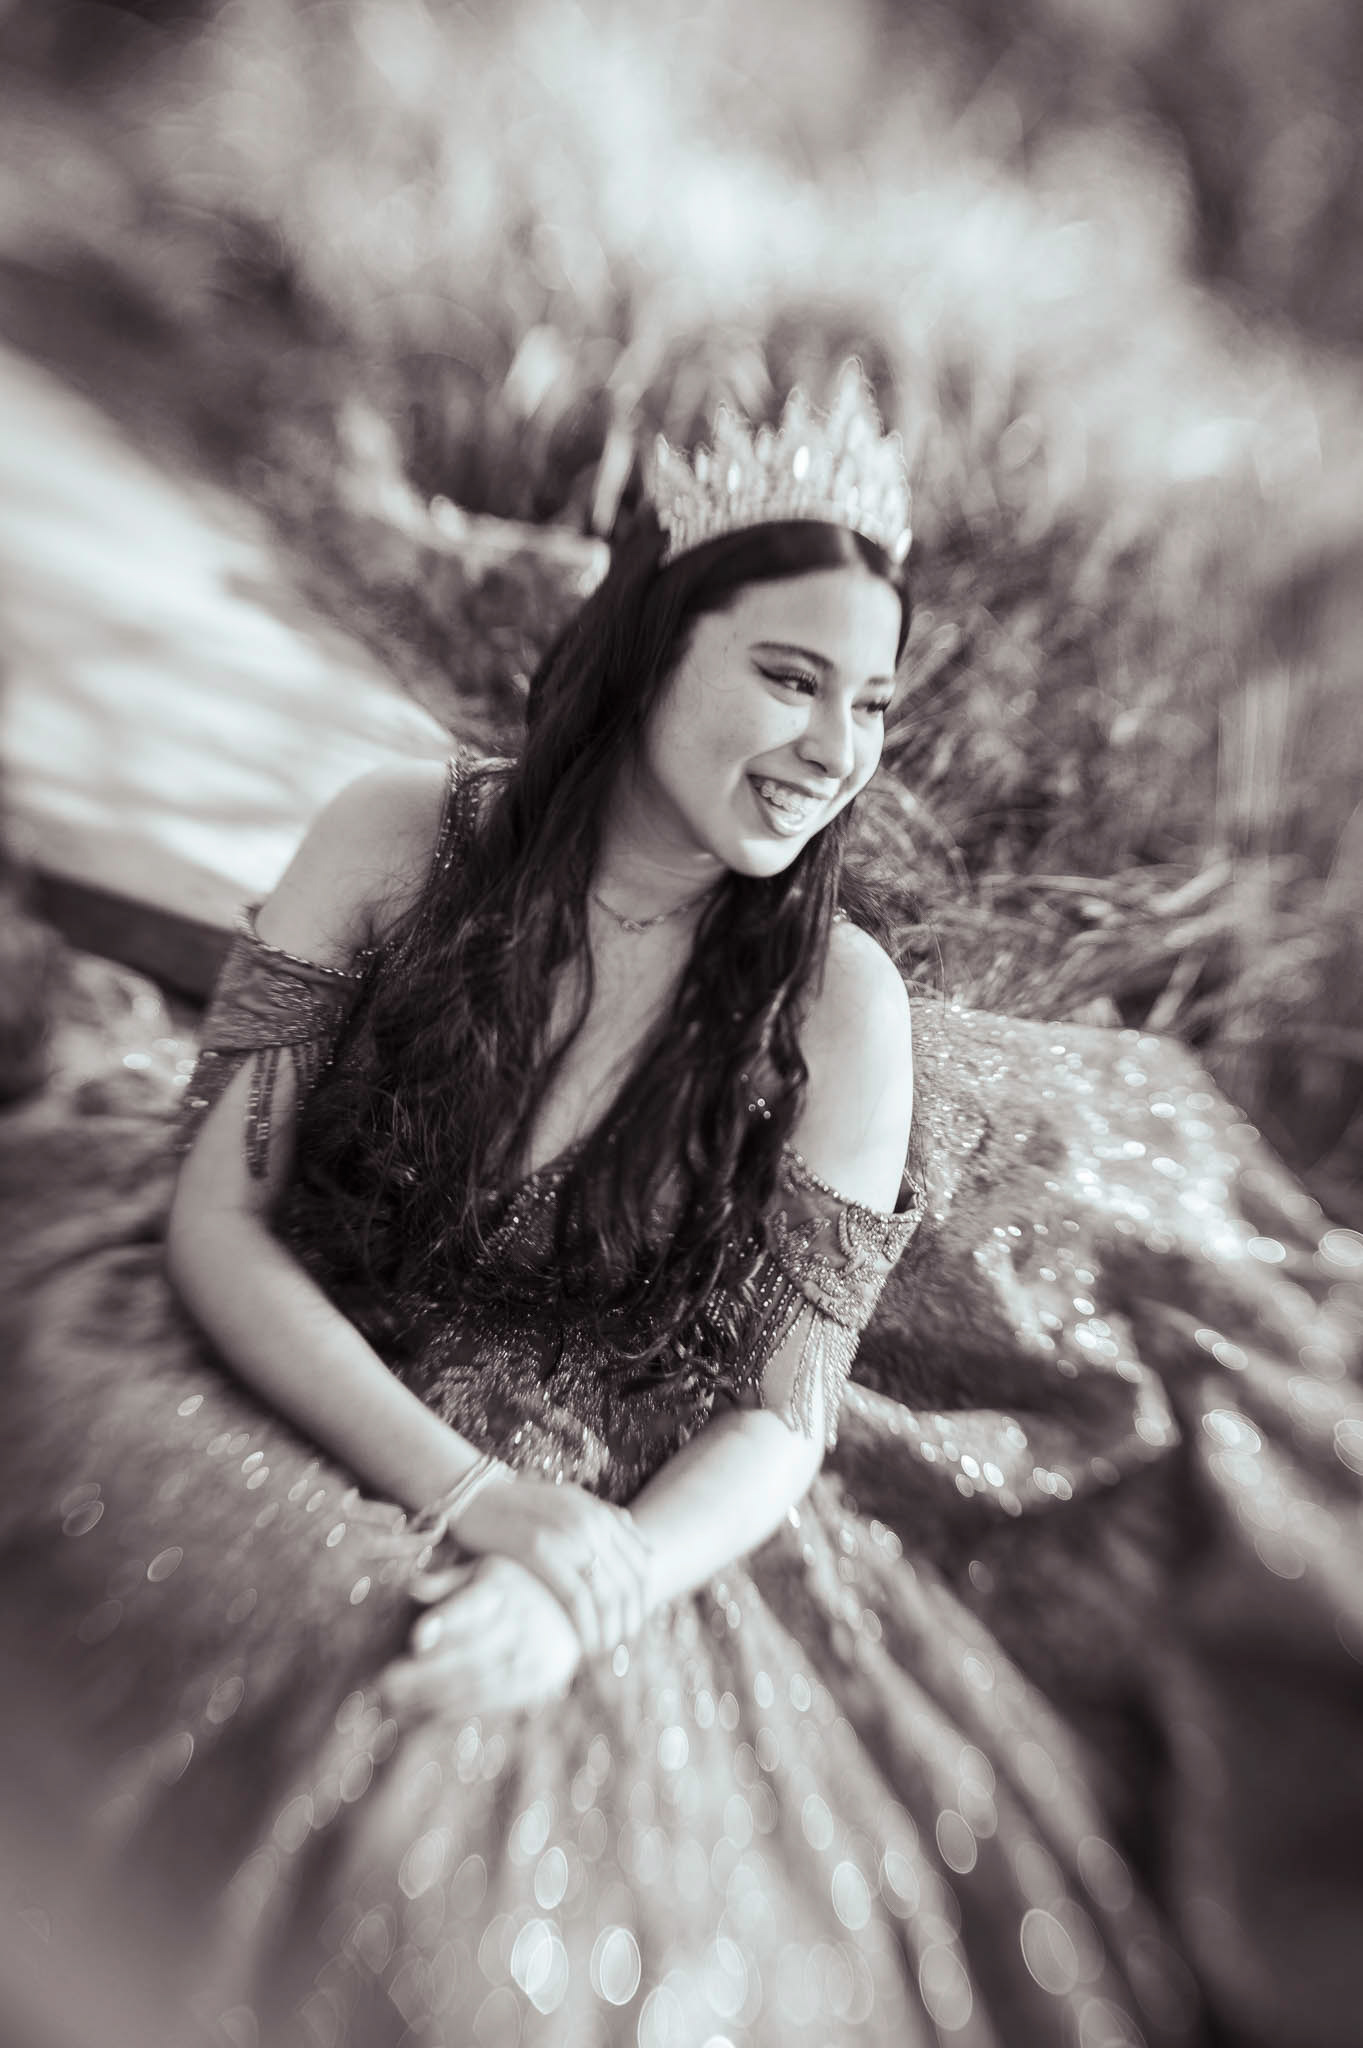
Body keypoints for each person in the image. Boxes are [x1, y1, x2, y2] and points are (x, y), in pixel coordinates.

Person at [0, 362, 1360, 2048]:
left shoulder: (836, 1008)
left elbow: (783, 1420)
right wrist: (474, 1502)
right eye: (791, 678)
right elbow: (220, 1216)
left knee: (485, 1891)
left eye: (871, 707)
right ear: (649, 652)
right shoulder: (394, 839)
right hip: (311, 1354)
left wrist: (599, 1583)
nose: (834, 753)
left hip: (612, 1479)